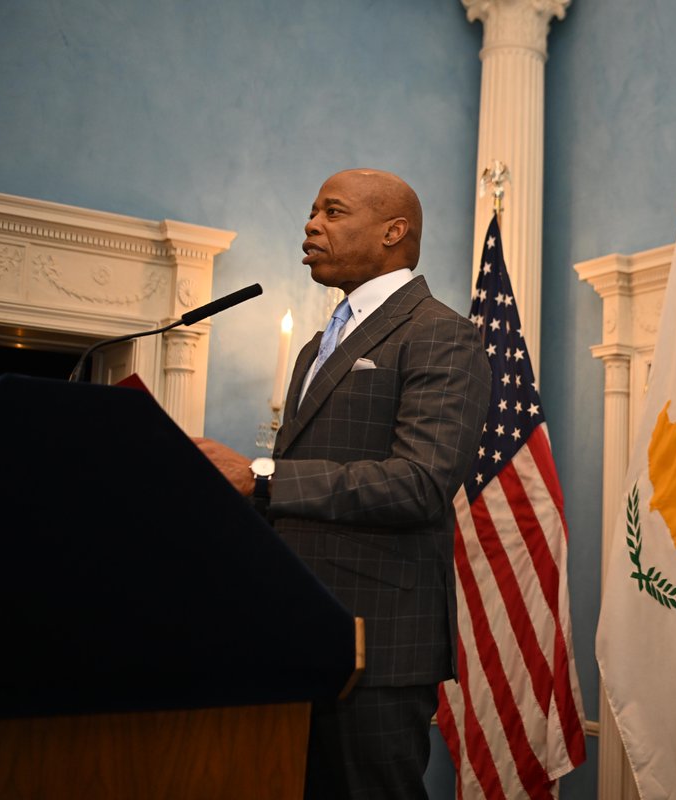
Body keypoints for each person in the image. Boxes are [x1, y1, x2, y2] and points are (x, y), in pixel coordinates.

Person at [196, 169, 490, 799]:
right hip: (294, 630)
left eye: (332, 213)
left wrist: (262, 476)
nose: (312, 225)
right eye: (312, 212)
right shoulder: (315, 347)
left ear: (393, 231)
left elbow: (420, 482)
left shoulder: (440, 332)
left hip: (377, 644)